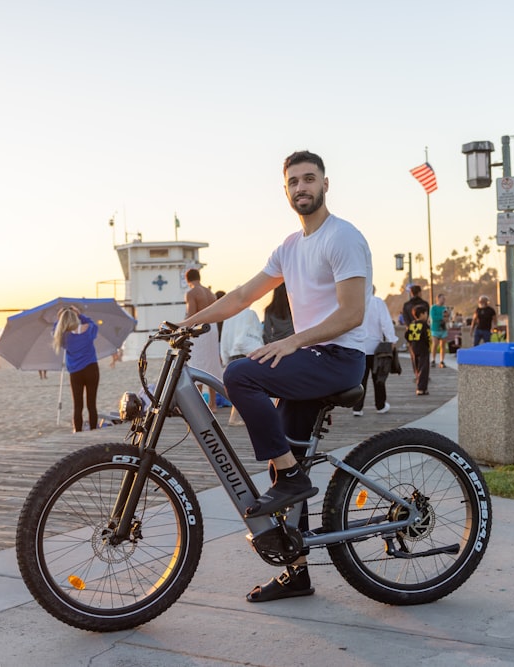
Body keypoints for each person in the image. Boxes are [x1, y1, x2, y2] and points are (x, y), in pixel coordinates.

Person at [177, 150, 371, 603]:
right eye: (294, 182)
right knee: (282, 461)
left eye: (309, 179)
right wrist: (185, 325)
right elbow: (243, 294)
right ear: (285, 191)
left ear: (325, 184)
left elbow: (352, 313)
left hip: (338, 357)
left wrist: (293, 342)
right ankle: (296, 572)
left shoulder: (343, 238)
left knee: (242, 374)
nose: (302, 187)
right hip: (313, 358)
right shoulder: (290, 246)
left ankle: (292, 477)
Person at [53, 305, 100, 432]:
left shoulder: (64, 337)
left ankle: (78, 431)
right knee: (91, 404)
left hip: (75, 372)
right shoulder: (88, 329)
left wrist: (60, 317)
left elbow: (55, 329)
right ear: (76, 317)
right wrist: (80, 315)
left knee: (78, 405)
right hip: (91, 369)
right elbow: (94, 325)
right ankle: (93, 430)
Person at [352, 287, 397, 416]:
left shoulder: (356, 302)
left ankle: (357, 408)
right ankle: (380, 406)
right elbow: (386, 323)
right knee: (379, 377)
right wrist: (391, 339)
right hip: (376, 348)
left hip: (359, 347)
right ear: (374, 290)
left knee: (360, 380)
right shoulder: (377, 302)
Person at [219, 300, 265, 427]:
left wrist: (224, 355)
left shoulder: (229, 316)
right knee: (251, 387)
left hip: (232, 353)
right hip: (248, 352)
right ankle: (242, 417)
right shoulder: (250, 314)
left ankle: (234, 418)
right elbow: (257, 332)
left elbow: (225, 336)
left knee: (236, 388)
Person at [184, 267, 224, 409]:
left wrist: (183, 326)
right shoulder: (210, 292)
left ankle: (200, 404)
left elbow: (192, 315)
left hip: (199, 329)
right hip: (212, 328)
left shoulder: (191, 292)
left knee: (197, 364)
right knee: (211, 365)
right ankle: (212, 403)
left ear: (187, 279)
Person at [400, 284, 428, 372]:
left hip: (412, 333)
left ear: (411, 293)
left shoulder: (406, 305)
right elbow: (426, 319)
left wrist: (410, 327)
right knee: (424, 356)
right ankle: (423, 374)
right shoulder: (424, 304)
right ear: (419, 293)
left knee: (414, 355)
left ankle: (417, 372)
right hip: (422, 332)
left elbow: (406, 319)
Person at [405, 304, 431, 395]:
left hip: (413, 348)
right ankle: (421, 388)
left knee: (416, 367)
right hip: (423, 348)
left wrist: (411, 343)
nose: (427, 315)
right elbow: (428, 336)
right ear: (422, 314)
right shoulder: (424, 325)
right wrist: (428, 345)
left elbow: (406, 335)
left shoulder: (412, 324)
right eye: (426, 313)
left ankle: (418, 384)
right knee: (424, 368)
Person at [429, 292, 449, 367]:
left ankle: (442, 360)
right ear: (438, 299)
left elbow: (447, 317)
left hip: (443, 329)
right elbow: (433, 317)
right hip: (435, 328)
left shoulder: (445, 308)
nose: (444, 300)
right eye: (442, 298)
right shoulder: (433, 307)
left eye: (444, 299)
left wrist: (446, 318)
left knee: (443, 345)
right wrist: (442, 318)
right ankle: (433, 359)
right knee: (435, 344)